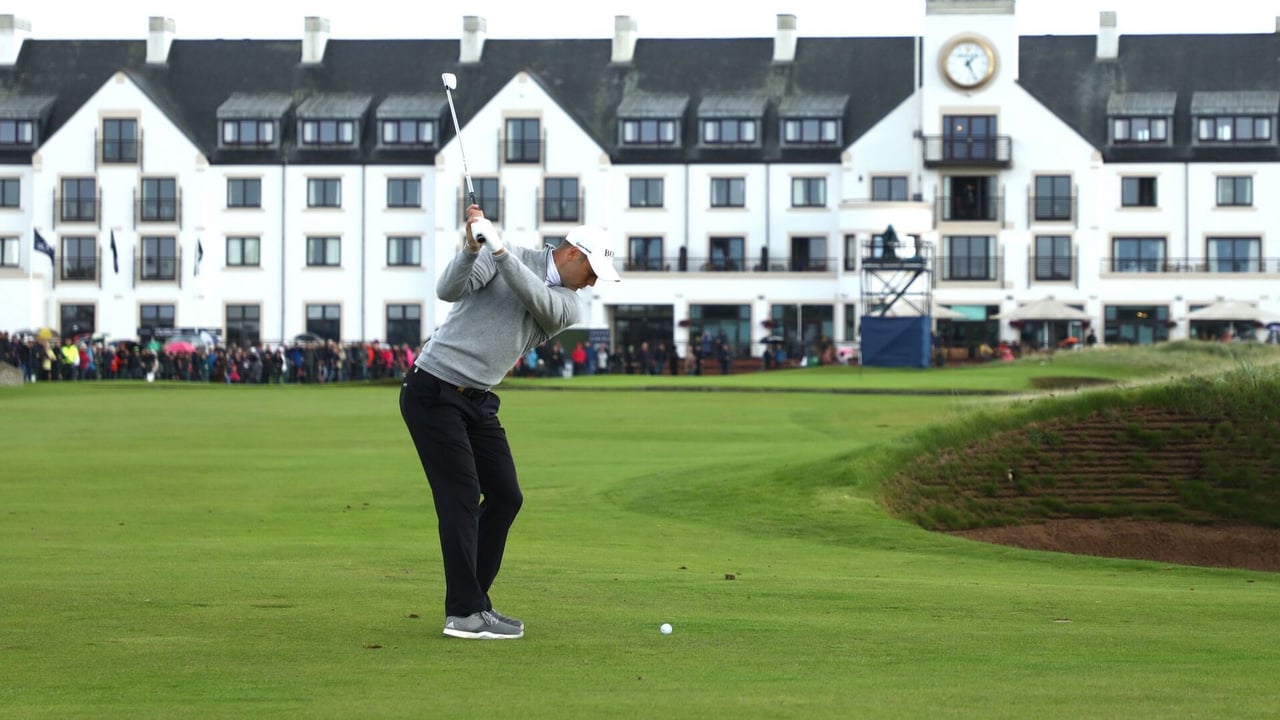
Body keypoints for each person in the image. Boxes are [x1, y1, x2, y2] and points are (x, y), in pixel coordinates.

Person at [400, 205, 621, 640]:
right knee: (461, 494)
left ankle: (474, 604)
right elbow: (447, 289)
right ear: (574, 254)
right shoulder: (501, 254)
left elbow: (535, 297)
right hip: (433, 390)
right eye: (593, 271)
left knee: (506, 496)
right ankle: (464, 613)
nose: (594, 282)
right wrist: (470, 248)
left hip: (478, 400)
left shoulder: (568, 306)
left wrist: (499, 251)